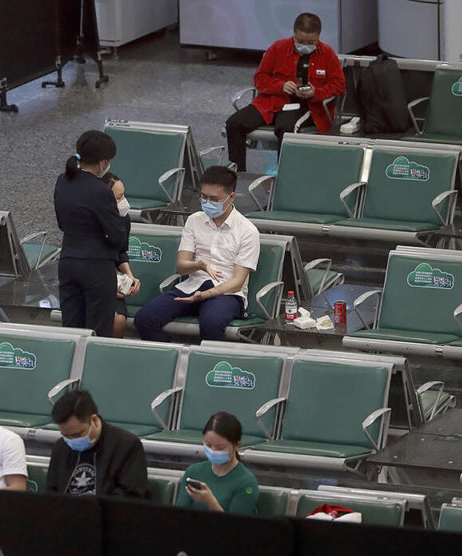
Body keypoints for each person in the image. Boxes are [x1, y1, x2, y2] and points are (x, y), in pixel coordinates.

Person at [133, 165, 258, 342]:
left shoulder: (247, 231)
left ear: (231, 197)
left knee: (212, 322)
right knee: (145, 319)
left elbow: (237, 283)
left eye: (214, 199)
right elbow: (182, 267)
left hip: (227, 294)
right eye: (203, 197)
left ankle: (204, 367)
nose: (207, 202)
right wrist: (198, 265)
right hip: (193, 285)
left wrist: (205, 295)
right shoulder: (194, 220)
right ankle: (170, 362)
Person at [224, 12, 346, 172]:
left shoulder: (327, 54)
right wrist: (280, 85)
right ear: (294, 34)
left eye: (311, 42)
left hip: (306, 105)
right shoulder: (278, 48)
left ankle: (284, 177)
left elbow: (339, 85)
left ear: (319, 37)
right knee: (234, 123)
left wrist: (316, 92)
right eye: (301, 41)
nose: (305, 45)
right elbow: (259, 79)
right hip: (271, 101)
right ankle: (237, 175)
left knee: (285, 129)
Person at [54, 130, 131, 337]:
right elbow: (115, 236)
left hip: (68, 261)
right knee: (97, 331)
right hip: (96, 267)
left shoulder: (63, 181)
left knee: (71, 329)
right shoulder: (100, 190)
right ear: (103, 162)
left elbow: (61, 223)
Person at [46, 389, 148, 498]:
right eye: (65, 435)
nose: (71, 440)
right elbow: (51, 492)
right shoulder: (61, 446)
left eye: (77, 434)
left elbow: (130, 497)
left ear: (94, 420)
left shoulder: (127, 445)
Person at [176, 412, 259, 515]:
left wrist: (211, 502)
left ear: (236, 445)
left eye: (220, 448)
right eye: (208, 445)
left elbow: (237, 528)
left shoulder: (246, 482)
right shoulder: (194, 472)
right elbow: (179, 514)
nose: (213, 451)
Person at [102, 172, 141, 338]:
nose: (124, 202)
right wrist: (109, 288)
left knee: (118, 320)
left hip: (111, 281)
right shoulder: (90, 223)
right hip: (92, 283)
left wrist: (130, 277)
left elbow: (120, 253)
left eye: (123, 195)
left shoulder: (123, 219)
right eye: (118, 198)